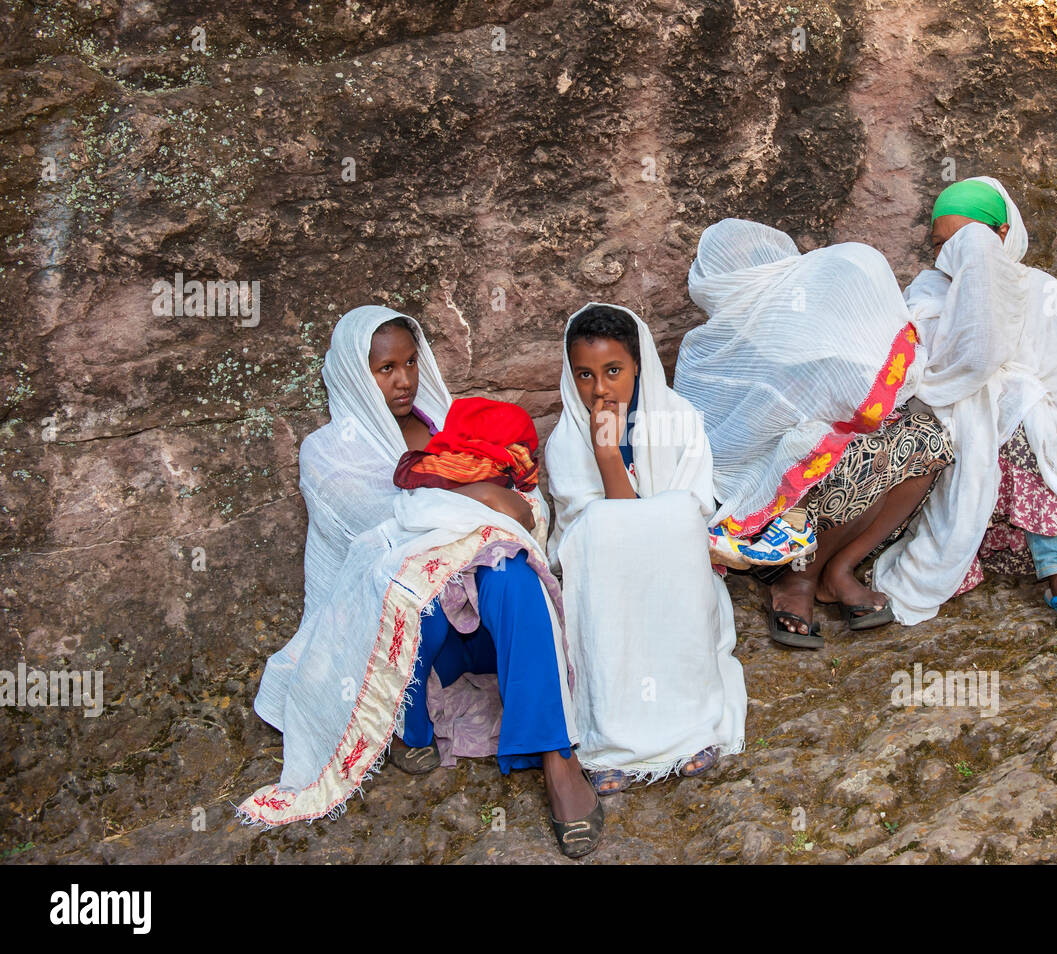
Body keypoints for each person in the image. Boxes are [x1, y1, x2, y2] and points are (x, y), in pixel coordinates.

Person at [241, 305, 603, 858]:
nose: (405, 379)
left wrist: (486, 507)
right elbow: (384, 539)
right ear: (353, 375)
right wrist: (479, 495)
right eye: (386, 368)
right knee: (418, 587)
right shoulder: (330, 454)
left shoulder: (455, 423)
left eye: (411, 362)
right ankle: (411, 722)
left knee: (511, 573)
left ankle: (557, 758)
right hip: (417, 642)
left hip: (489, 627)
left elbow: (527, 511)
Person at [674, 219, 955, 649]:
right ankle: (794, 582)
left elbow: (864, 396)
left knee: (929, 439)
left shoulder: (808, 325)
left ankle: (839, 568)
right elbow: (724, 454)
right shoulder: (707, 352)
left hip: (829, 501)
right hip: (758, 527)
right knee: (825, 457)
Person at [872, 177, 1057, 629]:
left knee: (1026, 413)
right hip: (946, 416)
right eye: (941, 244)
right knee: (981, 426)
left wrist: (1007, 399)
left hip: (1025, 431)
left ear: (1001, 236)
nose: (952, 254)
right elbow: (922, 373)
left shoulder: (1041, 290)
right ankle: (1011, 556)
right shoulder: (928, 290)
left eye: (964, 240)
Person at [545, 303, 746, 794]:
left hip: (672, 580)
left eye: (614, 371)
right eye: (585, 375)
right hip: (607, 590)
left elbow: (687, 518)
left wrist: (615, 464)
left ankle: (689, 722)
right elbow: (594, 536)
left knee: (674, 523)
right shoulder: (566, 441)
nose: (600, 389)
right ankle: (613, 736)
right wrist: (607, 453)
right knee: (603, 532)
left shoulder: (679, 420)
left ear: (639, 365)